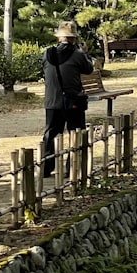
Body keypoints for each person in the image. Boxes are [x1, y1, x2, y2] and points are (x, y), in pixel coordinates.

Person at [42, 20, 94, 178]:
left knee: (50, 134)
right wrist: (85, 53)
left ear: (59, 38)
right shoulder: (77, 54)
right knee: (75, 132)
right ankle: (71, 168)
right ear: (73, 38)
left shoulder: (47, 53)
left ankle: (46, 167)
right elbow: (89, 69)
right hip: (72, 101)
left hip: (52, 101)